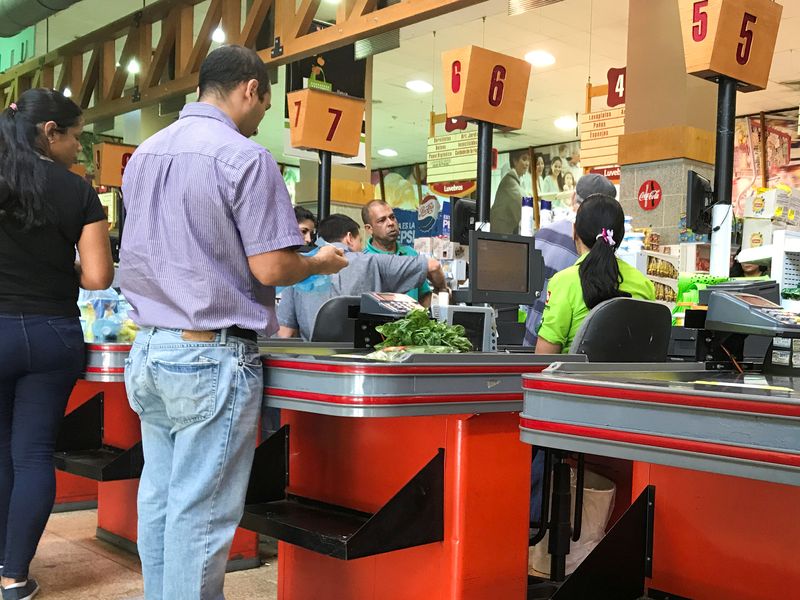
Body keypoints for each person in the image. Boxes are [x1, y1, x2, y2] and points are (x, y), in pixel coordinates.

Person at [118, 46, 347, 600]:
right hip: (209, 356)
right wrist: (318, 262)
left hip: (149, 351)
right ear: (250, 88)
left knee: (163, 498)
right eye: (267, 104)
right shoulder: (244, 157)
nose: (263, 117)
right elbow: (270, 265)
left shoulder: (144, 154)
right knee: (201, 514)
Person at [0, 89, 113, 600]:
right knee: (33, 454)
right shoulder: (77, 191)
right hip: (52, 335)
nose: (80, 148)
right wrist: (56, 267)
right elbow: (97, 277)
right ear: (50, 132)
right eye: (76, 136)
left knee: (1, 453)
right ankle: (14, 577)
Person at [277, 214, 447, 340]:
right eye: (360, 240)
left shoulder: (299, 269)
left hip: (313, 370)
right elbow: (433, 266)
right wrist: (442, 289)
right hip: (364, 366)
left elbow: (285, 333)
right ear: (349, 238)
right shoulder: (373, 262)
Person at [535, 195, 655, 354]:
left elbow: (544, 357)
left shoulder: (564, 282)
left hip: (573, 379)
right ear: (619, 237)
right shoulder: (644, 285)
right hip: (631, 379)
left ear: (574, 231)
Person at [523, 173, 617, 347]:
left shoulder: (542, 235)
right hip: (570, 361)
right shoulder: (600, 253)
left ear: (574, 197)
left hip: (532, 348)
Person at [361, 199, 433, 306]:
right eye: (382, 220)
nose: (390, 223)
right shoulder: (364, 260)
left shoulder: (411, 254)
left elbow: (425, 293)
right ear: (369, 229)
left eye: (392, 217)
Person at [490, 149, 530, 234]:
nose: (527, 163)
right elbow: (523, 203)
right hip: (499, 234)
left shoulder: (516, 180)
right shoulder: (509, 181)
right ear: (515, 161)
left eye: (528, 160)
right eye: (524, 159)